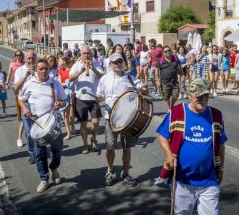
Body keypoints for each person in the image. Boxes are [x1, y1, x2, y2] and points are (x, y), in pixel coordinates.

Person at [156, 78, 227, 215]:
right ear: (190, 95)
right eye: (199, 96)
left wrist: (221, 169)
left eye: (206, 95)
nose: (203, 99)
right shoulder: (176, 113)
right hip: (183, 181)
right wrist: (169, 155)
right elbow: (162, 135)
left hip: (209, 179)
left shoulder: (216, 115)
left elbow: (221, 144)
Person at [96, 53, 146, 187]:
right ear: (110, 64)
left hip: (127, 119)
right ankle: (110, 171)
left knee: (126, 148)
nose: (118, 64)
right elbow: (99, 94)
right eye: (115, 62)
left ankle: (125, 174)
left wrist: (142, 88)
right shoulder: (104, 79)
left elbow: (141, 89)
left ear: (124, 63)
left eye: (120, 61)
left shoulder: (130, 78)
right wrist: (99, 98)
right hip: (110, 118)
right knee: (110, 147)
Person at [18, 59, 66, 193]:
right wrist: (25, 110)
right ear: (36, 70)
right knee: (40, 153)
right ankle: (44, 179)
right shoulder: (30, 84)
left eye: (46, 68)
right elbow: (20, 98)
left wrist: (60, 104)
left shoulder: (55, 83)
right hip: (37, 124)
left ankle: (54, 167)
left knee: (58, 150)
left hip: (54, 122)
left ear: (49, 70)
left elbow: (64, 100)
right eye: (41, 69)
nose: (43, 71)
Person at [69, 45, 104, 154]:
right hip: (81, 98)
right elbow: (70, 78)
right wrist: (80, 71)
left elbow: (102, 76)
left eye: (88, 53)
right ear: (81, 54)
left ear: (91, 53)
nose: (86, 55)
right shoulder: (77, 65)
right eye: (84, 53)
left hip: (93, 98)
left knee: (95, 121)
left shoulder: (95, 63)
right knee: (83, 124)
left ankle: (93, 139)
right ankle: (85, 144)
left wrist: (93, 68)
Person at [14, 50, 38, 164]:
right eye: (29, 58)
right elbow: (16, 88)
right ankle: (32, 153)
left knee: (40, 129)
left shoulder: (40, 69)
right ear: (25, 59)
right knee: (29, 131)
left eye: (33, 58)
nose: (31, 60)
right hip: (25, 103)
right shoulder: (20, 71)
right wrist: (25, 75)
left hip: (38, 103)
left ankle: (39, 150)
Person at [5, 50, 25, 147]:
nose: (18, 56)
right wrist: (7, 83)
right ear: (15, 56)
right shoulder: (12, 64)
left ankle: (22, 110)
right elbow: (9, 74)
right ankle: (20, 111)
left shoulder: (25, 64)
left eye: (20, 55)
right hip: (15, 84)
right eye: (17, 55)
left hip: (25, 85)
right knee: (19, 96)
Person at [155, 45, 182, 110]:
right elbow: (156, 71)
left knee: (175, 96)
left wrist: (180, 79)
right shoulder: (160, 60)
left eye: (169, 50)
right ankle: (169, 110)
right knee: (166, 97)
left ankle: (172, 105)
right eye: (166, 51)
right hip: (165, 82)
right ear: (163, 53)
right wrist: (158, 81)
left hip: (174, 81)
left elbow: (179, 69)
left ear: (171, 51)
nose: (168, 52)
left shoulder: (175, 59)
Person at [57, 56, 75, 140]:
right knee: (65, 115)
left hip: (73, 94)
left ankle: (73, 126)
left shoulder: (72, 70)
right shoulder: (60, 71)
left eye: (60, 61)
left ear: (64, 62)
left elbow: (74, 82)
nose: (59, 62)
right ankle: (68, 133)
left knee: (71, 115)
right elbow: (60, 83)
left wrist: (66, 83)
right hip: (64, 94)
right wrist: (67, 83)